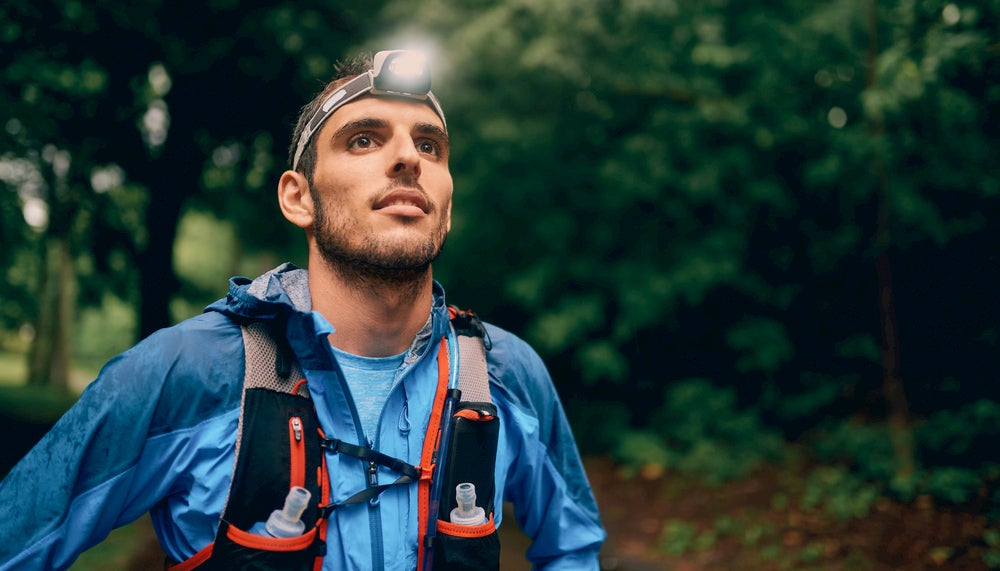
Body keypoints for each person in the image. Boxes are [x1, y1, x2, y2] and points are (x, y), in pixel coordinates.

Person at [0, 50, 606, 570]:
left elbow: (573, 546)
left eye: (429, 145)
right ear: (298, 197)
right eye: (364, 139)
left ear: (446, 200)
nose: (408, 159)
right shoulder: (183, 371)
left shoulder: (505, 372)